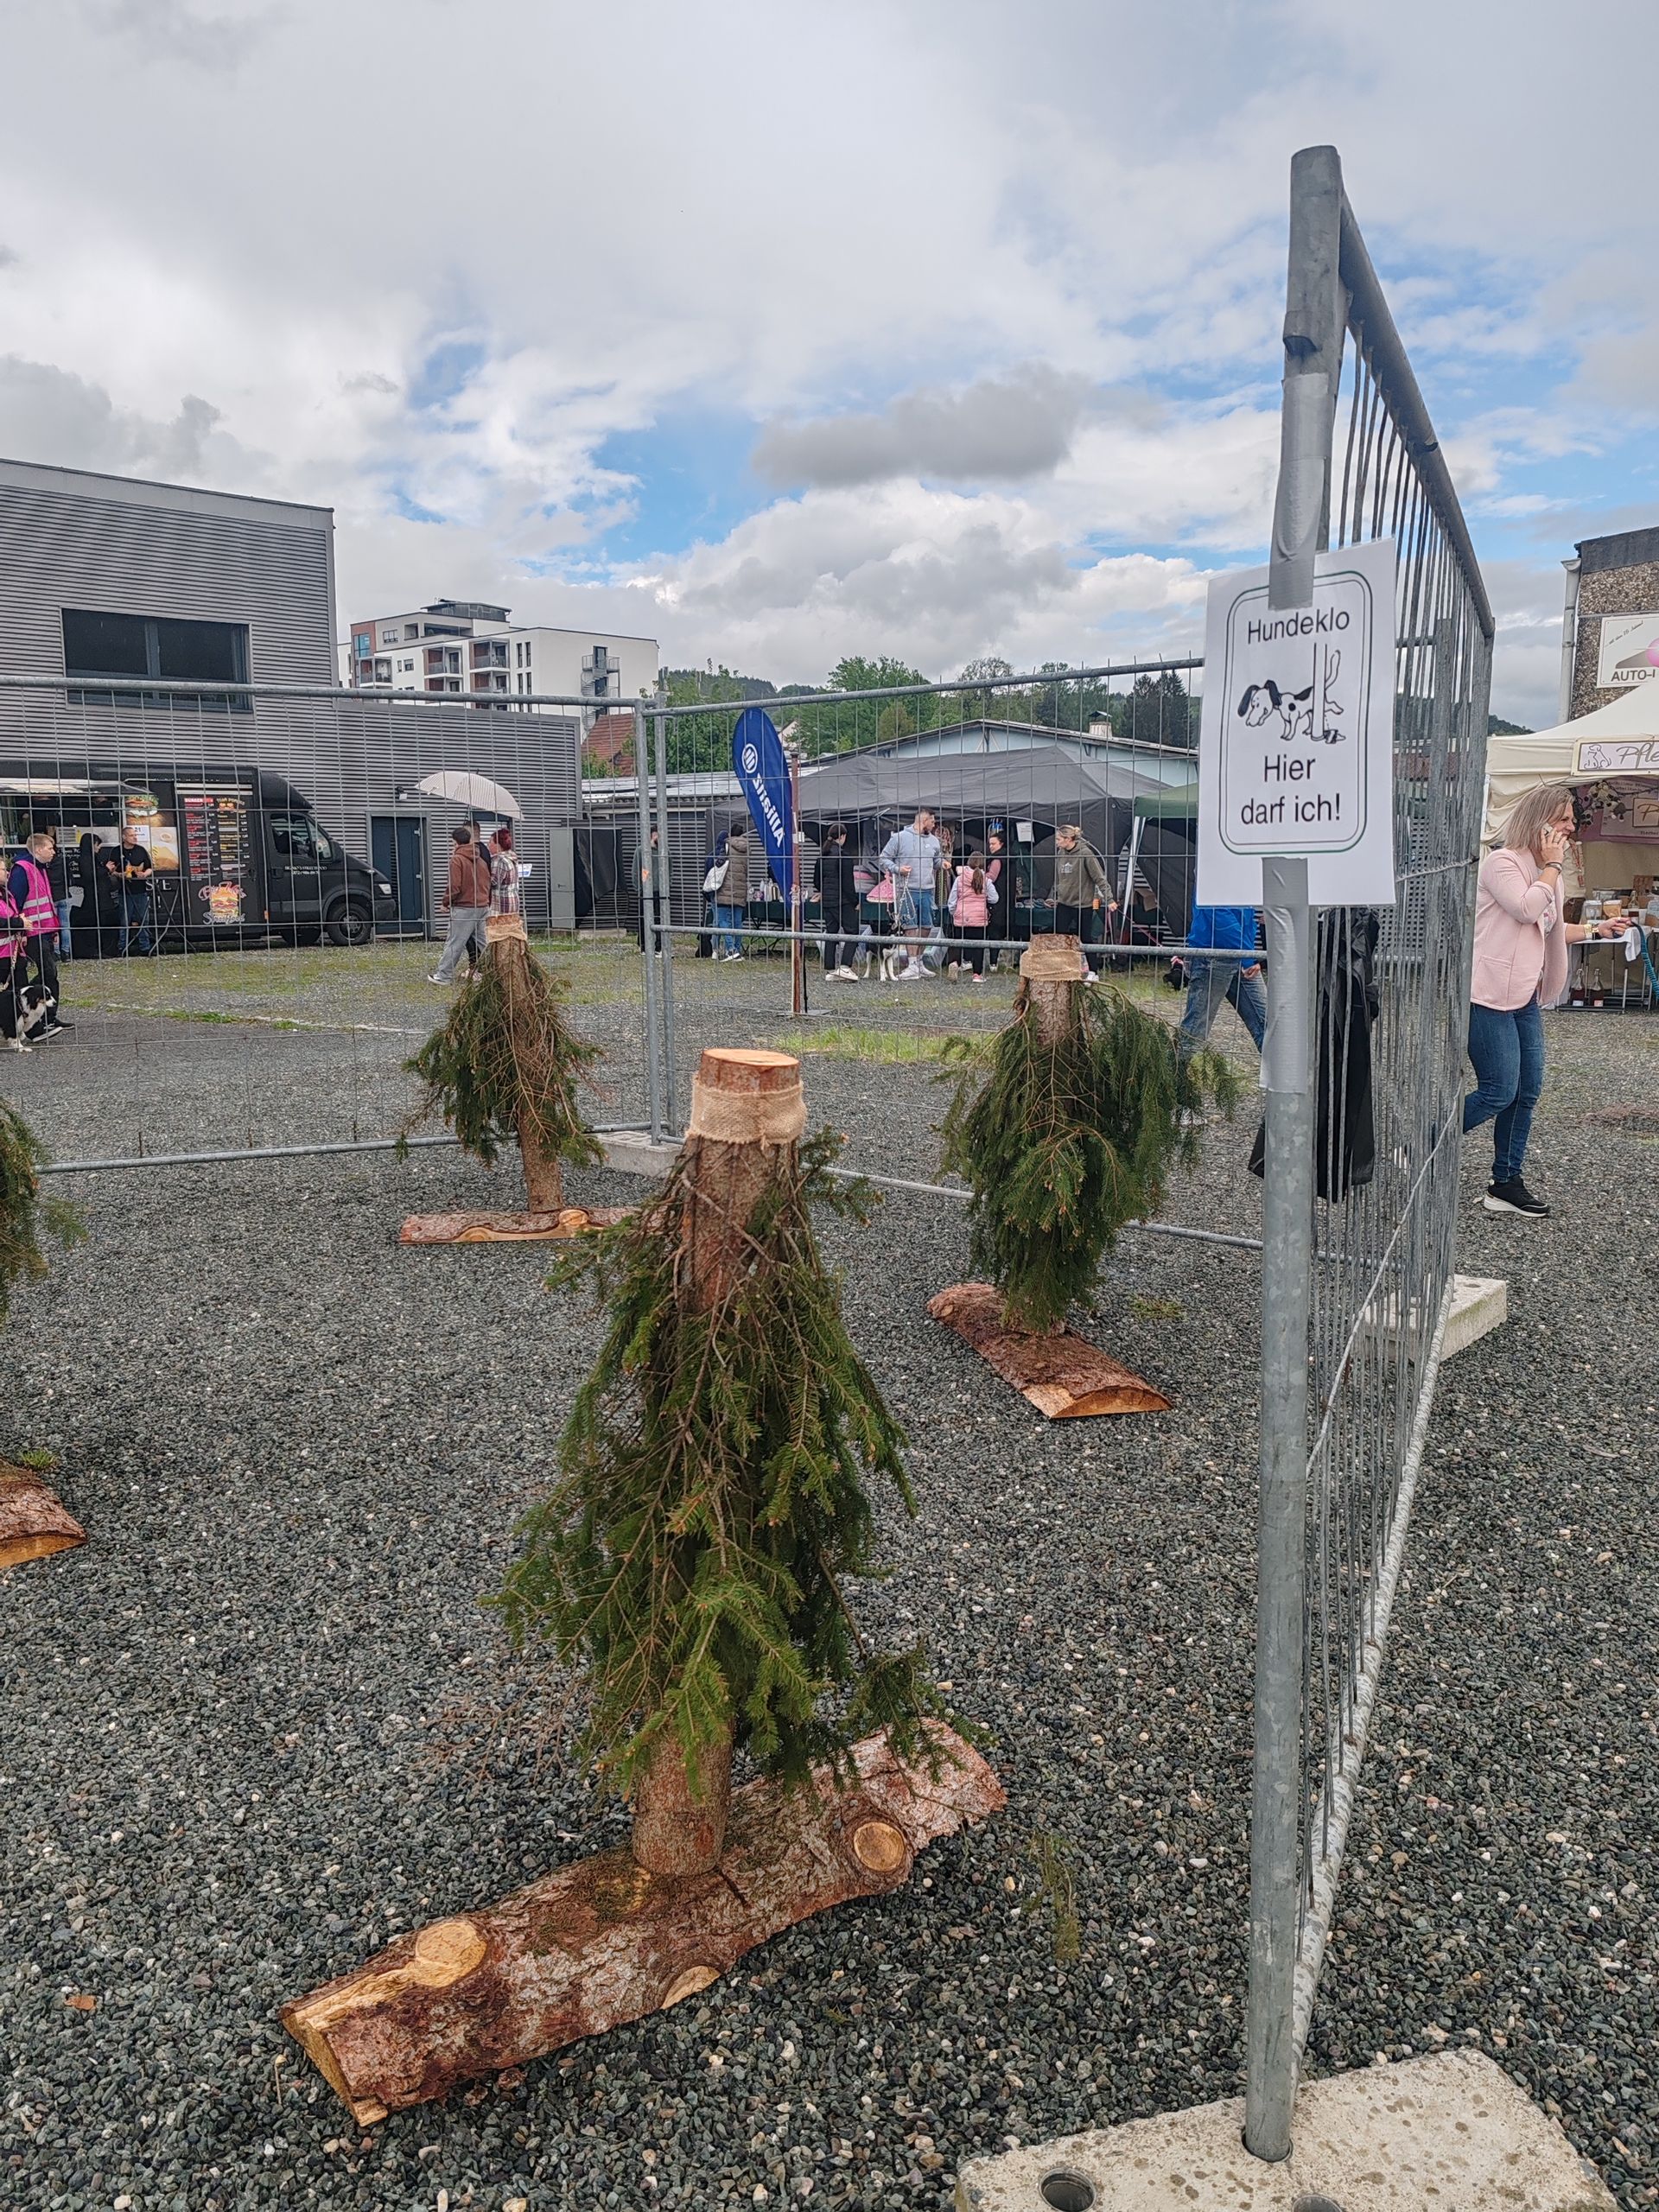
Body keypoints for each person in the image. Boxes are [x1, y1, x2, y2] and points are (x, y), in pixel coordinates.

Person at [1465, 784, 1622, 1217]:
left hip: (1525, 997)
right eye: (1565, 819)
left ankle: (1505, 1183)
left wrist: (1595, 931)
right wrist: (1552, 868)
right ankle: (1424, 1142)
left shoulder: (1547, 871)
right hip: (1490, 995)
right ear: (1540, 821)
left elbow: (1549, 928)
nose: (1572, 828)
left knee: (1527, 1091)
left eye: (1572, 820)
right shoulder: (1503, 862)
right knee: (1499, 1091)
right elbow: (1526, 909)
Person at [1176, 905, 1267, 1062]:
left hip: (1239, 953)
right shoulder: (1215, 883)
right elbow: (1219, 915)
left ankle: (1282, 1083)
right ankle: (1174, 1079)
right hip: (1215, 956)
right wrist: (1247, 956)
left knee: (1267, 1024)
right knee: (1195, 1029)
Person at [8, 831, 70, 1034]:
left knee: (50, 973)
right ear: (38, 849)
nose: (53, 852)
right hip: (31, 932)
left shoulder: (40, 868)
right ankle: (34, 1009)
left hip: (43, 931)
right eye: (50, 848)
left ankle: (47, 1016)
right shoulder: (23, 869)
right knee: (49, 973)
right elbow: (14, 902)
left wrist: (52, 930)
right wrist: (20, 930)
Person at [879, 808, 942, 981]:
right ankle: (912, 964)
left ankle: (919, 963)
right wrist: (898, 869)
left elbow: (935, 860)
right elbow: (884, 858)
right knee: (910, 927)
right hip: (906, 889)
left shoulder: (935, 841)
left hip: (928, 889)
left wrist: (941, 864)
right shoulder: (899, 838)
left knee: (927, 926)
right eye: (933, 821)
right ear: (924, 821)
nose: (935, 825)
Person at [1046, 823, 1114, 981]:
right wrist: (1053, 896)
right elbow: (1058, 879)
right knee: (1060, 936)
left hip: (1083, 904)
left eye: (1059, 839)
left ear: (1068, 839)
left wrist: (1109, 899)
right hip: (1064, 903)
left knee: (1086, 937)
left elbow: (1099, 878)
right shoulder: (1060, 854)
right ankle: (1063, 969)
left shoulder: (1086, 854)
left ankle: (1093, 971)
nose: (1056, 842)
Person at [429, 823, 493, 983]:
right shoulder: (480, 859)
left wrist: (446, 902)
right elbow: (487, 881)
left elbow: (454, 886)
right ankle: (495, 971)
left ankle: (444, 976)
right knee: (483, 942)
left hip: (465, 907)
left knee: (455, 941)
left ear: (455, 842)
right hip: (483, 905)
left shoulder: (457, 860)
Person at [103, 823, 154, 957]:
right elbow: (110, 871)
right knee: (124, 920)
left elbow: (149, 867)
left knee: (144, 919)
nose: (135, 837)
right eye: (131, 835)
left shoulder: (141, 850)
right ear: (124, 837)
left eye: (135, 835)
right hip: (124, 890)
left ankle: (145, 947)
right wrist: (120, 875)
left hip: (140, 890)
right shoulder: (116, 852)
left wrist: (145, 874)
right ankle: (122, 947)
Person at [947, 851, 997, 981]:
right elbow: (994, 898)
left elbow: (952, 900)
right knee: (978, 947)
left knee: (958, 943)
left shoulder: (959, 879)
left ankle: (954, 963)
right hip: (979, 919)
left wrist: (954, 913)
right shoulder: (986, 880)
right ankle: (977, 974)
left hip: (961, 917)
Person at [819, 824, 860, 979]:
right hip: (843, 901)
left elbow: (817, 880)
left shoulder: (823, 855)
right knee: (852, 932)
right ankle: (845, 966)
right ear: (842, 836)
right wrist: (854, 901)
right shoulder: (844, 856)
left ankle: (830, 969)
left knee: (831, 933)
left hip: (827, 901)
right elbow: (848, 884)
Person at [712, 826, 749, 960]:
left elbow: (719, 863)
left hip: (725, 888)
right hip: (740, 889)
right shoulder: (746, 849)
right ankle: (737, 949)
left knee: (722, 920)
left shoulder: (726, 846)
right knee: (737, 922)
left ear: (730, 834)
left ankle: (731, 950)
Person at [634, 827, 666, 952]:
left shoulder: (664, 851)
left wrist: (667, 886)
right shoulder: (641, 851)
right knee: (644, 919)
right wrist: (639, 889)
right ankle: (644, 947)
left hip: (660, 892)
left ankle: (659, 947)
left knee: (660, 919)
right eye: (657, 835)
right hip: (645, 892)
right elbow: (636, 871)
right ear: (652, 835)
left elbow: (670, 870)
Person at [45, 834, 74, 961]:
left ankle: (56, 952)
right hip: (63, 893)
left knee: (54, 925)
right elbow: (69, 876)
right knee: (65, 926)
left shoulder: (44, 864)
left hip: (51, 895)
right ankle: (66, 952)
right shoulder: (62, 860)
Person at [488, 823, 522, 918]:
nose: (488, 845)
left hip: (501, 903)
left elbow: (494, 882)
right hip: (513, 900)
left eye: (490, 842)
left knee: (498, 930)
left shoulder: (499, 860)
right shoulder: (511, 857)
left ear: (498, 845)